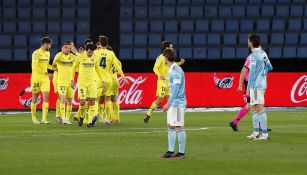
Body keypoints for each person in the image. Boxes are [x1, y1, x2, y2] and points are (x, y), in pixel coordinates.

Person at [144, 41, 185, 123]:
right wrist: (160, 75)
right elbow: (155, 68)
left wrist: (180, 63)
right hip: (162, 82)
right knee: (159, 100)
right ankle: (148, 114)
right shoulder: (160, 58)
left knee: (171, 100)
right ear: (166, 48)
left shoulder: (169, 59)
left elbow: (173, 64)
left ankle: (172, 120)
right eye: (171, 47)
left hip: (170, 82)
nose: (172, 48)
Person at [93, 35, 128, 126]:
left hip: (98, 79)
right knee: (109, 99)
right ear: (107, 43)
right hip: (110, 79)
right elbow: (117, 66)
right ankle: (109, 119)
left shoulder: (96, 52)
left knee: (97, 99)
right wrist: (124, 77)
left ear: (100, 43)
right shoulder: (111, 54)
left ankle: (95, 114)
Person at [160, 48, 187, 159]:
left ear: (166, 58)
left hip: (177, 102)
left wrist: (169, 103)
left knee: (178, 126)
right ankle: (171, 152)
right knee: (171, 126)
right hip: (174, 102)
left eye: (163, 58)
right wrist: (166, 78)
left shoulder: (175, 69)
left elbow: (176, 88)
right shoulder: (173, 69)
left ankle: (181, 153)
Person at [246, 34, 273, 140]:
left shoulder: (253, 56)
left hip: (255, 86)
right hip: (261, 85)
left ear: (251, 43)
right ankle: (255, 132)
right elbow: (270, 67)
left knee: (259, 109)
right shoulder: (263, 53)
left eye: (248, 41)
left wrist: (248, 88)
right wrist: (263, 73)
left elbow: (252, 73)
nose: (248, 42)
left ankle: (265, 134)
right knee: (253, 108)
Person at [71, 44, 103, 127]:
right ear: (86, 50)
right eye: (89, 52)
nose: (90, 54)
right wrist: (72, 79)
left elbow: (97, 69)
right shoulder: (81, 56)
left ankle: (90, 122)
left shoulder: (95, 57)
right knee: (82, 102)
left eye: (92, 52)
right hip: (82, 82)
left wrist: (102, 80)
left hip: (92, 82)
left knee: (92, 101)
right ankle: (81, 116)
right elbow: (74, 67)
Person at [52, 41, 77, 124]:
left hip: (70, 82)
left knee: (69, 101)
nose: (67, 49)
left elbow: (81, 59)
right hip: (61, 82)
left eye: (69, 48)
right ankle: (63, 118)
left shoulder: (72, 56)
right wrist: (55, 69)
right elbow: (53, 64)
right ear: (62, 48)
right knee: (62, 98)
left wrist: (75, 51)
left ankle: (67, 118)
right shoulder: (59, 55)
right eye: (66, 47)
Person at [30, 37, 53, 124]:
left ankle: (44, 119)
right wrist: (46, 73)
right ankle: (34, 118)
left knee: (46, 98)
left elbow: (46, 64)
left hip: (45, 79)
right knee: (34, 98)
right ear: (46, 44)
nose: (50, 46)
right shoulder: (36, 53)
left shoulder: (48, 53)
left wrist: (53, 68)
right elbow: (35, 67)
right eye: (50, 44)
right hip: (36, 78)